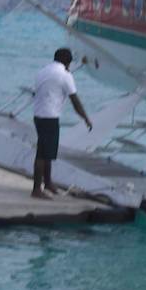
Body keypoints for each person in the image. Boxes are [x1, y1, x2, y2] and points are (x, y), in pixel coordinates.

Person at [31, 47, 92, 199]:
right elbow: (75, 100)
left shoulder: (43, 71)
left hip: (38, 115)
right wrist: (85, 117)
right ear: (67, 62)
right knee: (42, 154)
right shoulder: (65, 75)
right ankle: (36, 190)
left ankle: (48, 182)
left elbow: (35, 92)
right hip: (49, 117)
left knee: (48, 151)